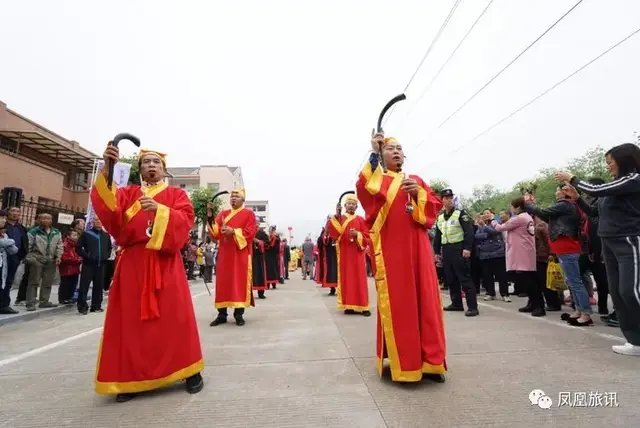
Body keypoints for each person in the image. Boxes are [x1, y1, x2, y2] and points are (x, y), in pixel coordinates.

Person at [92, 144, 204, 402]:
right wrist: (107, 169)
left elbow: (185, 222)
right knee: (131, 323)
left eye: (156, 162)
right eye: (146, 163)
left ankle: (189, 371)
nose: (151, 166)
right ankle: (132, 379)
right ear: (140, 169)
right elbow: (108, 209)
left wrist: (160, 211)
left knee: (176, 318)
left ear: (164, 170)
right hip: (132, 262)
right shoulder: (127, 193)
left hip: (165, 262)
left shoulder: (177, 195)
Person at [356, 132, 446, 383]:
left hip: (420, 252)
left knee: (426, 301)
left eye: (399, 149)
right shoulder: (378, 179)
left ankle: (432, 362)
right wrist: (373, 153)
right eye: (390, 148)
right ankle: (404, 363)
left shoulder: (415, 180)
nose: (396, 151)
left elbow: (433, 209)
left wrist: (419, 194)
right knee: (400, 303)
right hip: (392, 251)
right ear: (383, 154)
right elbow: (364, 190)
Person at [555, 143, 640, 355]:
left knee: (631, 291)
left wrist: (573, 178)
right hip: (608, 243)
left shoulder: (633, 180)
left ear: (624, 160)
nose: (608, 166)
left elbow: (595, 189)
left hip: (629, 240)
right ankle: (635, 341)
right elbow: (594, 212)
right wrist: (577, 199)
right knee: (618, 295)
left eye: (610, 162)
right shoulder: (615, 185)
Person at [524, 186, 591, 324]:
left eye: (558, 189)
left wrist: (529, 203)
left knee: (575, 282)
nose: (556, 192)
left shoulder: (565, 204)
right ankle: (579, 310)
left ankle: (585, 313)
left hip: (567, 247)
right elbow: (545, 216)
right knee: (572, 282)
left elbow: (543, 212)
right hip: (563, 247)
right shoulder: (566, 206)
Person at [207, 188, 257, 326]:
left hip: (240, 254)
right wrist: (210, 214)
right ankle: (221, 314)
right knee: (223, 282)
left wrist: (233, 232)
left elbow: (250, 233)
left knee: (239, 282)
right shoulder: (223, 214)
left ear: (243, 200)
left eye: (237, 196)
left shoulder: (249, 214)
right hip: (224, 253)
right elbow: (215, 233)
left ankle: (238, 314)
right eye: (232, 197)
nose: (233, 199)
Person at [433, 188, 478, 316]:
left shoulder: (460, 214)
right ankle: (456, 303)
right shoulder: (440, 217)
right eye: (446, 198)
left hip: (459, 248)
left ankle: (472, 307)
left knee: (464, 278)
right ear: (442, 200)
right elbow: (438, 236)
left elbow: (469, 232)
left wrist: (467, 248)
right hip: (446, 250)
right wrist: (436, 251)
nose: (449, 200)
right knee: (451, 278)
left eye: (450, 198)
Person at [491, 197, 539, 315]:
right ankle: (532, 303)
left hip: (522, 253)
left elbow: (500, 227)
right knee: (528, 280)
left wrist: (493, 220)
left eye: (512, 207)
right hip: (525, 252)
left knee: (530, 281)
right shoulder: (527, 216)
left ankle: (538, 305)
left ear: (517, 207)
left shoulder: (519, 218)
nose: (511, 209)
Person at [327, 194, 371, 316]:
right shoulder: (340, 218)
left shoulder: (361, 220)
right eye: (349, 204)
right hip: (345, 253)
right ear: (345, 206)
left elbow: (367, 237)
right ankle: (349, 305)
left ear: (356, 206)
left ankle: (364, 306)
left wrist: (358, 234)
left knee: (360, 279)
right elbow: (333, 232)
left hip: (358, 253)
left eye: (353, 204)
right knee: (347, 279)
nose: (351, 206)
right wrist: (336, 215)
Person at [25, 213, 63, 311]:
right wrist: (31, 259)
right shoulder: (33, 232)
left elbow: (59, 245)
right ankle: (30, 303)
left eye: (48, 218)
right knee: (34, 282)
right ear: (39, 220)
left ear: (51, 220)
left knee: (47, 282)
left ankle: (44, 301)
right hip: (37, 259)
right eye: (44, 218)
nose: (46, 220)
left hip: (51, 260)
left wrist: (58, 256)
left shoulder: (56, 232)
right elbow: (28, 246)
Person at [76, 217, 112, 315]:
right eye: (96, 220)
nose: (99, 222)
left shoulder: (106, 235)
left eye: (100, 220)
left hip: (101, 265)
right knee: (84, 286)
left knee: (99, 286)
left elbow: (109, 248)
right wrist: (87, 256)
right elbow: (78, 248)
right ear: (93, 222)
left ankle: (96, 306)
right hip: (88, 264)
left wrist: (106, 256)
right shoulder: (86, 234)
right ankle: (82, 307)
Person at [0, 206, 28, 314]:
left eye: (17, 211)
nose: (15, 213)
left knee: (8, 282)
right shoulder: (4, 227)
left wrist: (22, 256)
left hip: (15, 258)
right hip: (4, 257)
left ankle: (4, 304)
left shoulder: (21, 228)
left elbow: (21, 245)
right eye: (13, 211)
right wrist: (9, 242)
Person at [58, 229, 82, 305]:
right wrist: (77, 259)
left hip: (75, 267)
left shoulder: (76, 245)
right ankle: (63, 298)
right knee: (65, 283)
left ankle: (69, 297)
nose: (76, 237)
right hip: (66, 268)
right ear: (68, 236)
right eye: (74, 235)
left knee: (73, 283)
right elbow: (64, 257)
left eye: (77, 235)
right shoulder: (65, 245)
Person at [322, 219, 339, 296]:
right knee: (332, 273)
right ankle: (332, 289)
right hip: (331, 257)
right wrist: (325, 236)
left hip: (339, 256)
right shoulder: (326, 234)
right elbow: (322, 242)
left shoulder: (339, 231)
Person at [253, 221, 269, 299]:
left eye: (257, 223)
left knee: (260, 274)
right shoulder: (249, 232)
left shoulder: (262, 233)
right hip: (250, 256)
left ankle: (261, 292)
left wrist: (259, 242)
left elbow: (267, 244)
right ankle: (248, 293)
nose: (256, 224)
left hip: (259, 257)